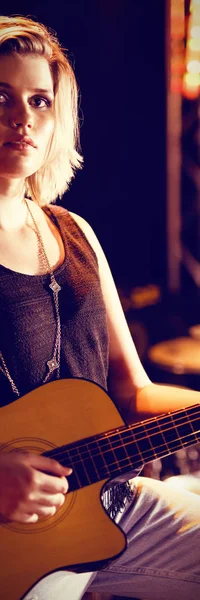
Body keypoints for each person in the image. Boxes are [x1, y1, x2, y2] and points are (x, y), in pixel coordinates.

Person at [0, 14, 199, 600]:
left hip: (113, 506)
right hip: (21, 557)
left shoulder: (75, 233)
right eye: (1, 96)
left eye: (41, 100)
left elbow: (132, 392)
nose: (22, 118)